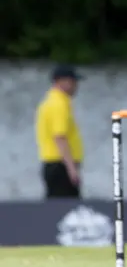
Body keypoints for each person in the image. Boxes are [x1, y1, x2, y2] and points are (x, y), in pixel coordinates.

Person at [35, 65, 84, 198]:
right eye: (73, 81)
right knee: (65, 209)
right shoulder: (58, 104)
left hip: (54, 164)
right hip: (60, 165)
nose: (76, 86)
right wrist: (71, 169)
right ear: (60, 81)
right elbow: (60, 137)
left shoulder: (50, 101)